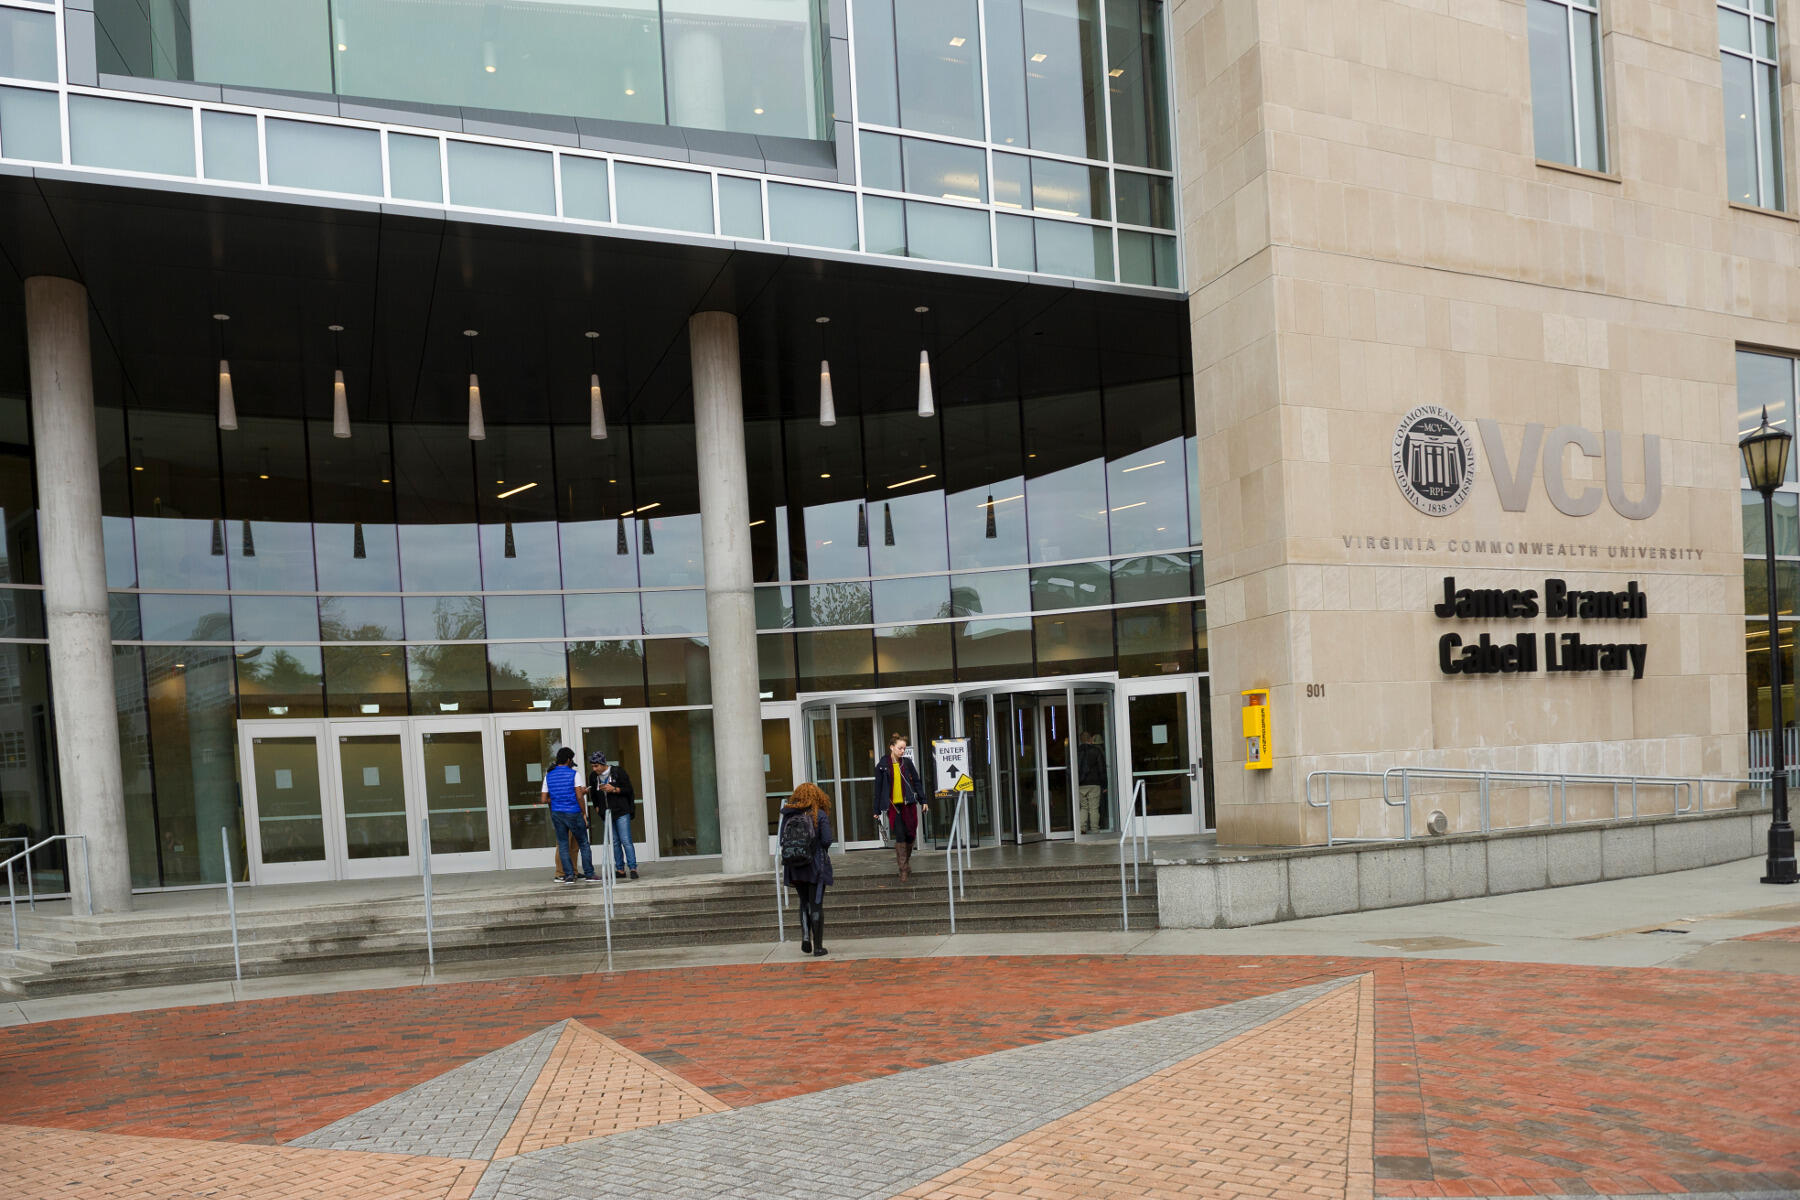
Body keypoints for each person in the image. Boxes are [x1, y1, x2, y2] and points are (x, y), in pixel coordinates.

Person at [779, 782, 834, 956]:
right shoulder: (820, 814)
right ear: (818, 796)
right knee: (816, 903)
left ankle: (805, 937)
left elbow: (782, 839)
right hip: (815, 865)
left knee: (804, 902)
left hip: (794, 866)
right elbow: (826, 840)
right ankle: (818, 946)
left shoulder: (789, 816)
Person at [873, 733, 928, 882]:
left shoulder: (907, 763)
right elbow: (878, 789)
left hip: (908, 804)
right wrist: (876, 810)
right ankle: (903, 868)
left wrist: (923, 800)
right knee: (900, 835)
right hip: (893, 807)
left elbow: (917, 782)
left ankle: (906, 863)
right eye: (900, 748)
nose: (902, 751)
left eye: (904, 748)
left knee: (910, 835)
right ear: (892, 747)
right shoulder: (882, 766)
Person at [539, 746, 598, 883]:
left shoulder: (549, 776)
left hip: (557, 814)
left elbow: (543, 799)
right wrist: (584, 812)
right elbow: (578, 796)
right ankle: (589, 873)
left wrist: (557, 798)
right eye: (571, 759)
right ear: (568, 759)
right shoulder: (573, 774)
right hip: (573, 812)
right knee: (583, 843)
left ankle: (569, 875)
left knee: (563, 845)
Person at [588, 750, 639, 880]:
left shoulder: (618, 772)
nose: (594, 769)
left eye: (596, 766)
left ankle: (633, 868)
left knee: (626, 840)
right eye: (592, 766)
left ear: (603, 763)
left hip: (621, 811)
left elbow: (629, 790)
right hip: (607, 813)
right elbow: (593, 794)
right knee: (615, 842)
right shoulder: (593, 777)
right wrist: (597, 808)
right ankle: (620, 869)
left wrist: (614, 789)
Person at [1077, 731, 1108, 834]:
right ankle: (1095, 830)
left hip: (1080, 784)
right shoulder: (1096, 751)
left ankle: (1082, 828)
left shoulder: (1076, 751)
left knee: (1084, 807)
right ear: (1090, 739)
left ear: (1081, 740)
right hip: (1094, 783)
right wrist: (1104, 784)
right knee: (1094, 808)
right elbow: (1101, 769)